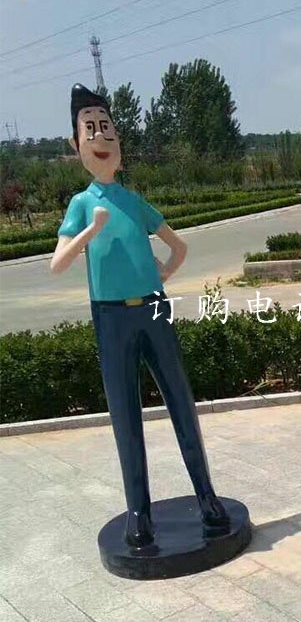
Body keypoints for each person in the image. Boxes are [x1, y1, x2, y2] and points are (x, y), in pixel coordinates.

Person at [52, 83, 229, 547]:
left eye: (107, 128)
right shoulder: (81, 204)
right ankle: (139, 511)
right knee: (125, 415)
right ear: (75, 144)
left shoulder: (133, 201)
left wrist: (162, 275)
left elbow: (178, 246)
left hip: (153, 309)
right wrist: (89, 232)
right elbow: (58, 263)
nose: (101, 138)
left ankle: (207, 496)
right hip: (111, 318)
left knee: (181, 402)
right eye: (90, 130)